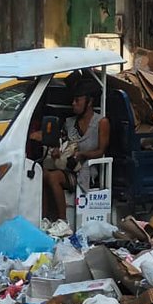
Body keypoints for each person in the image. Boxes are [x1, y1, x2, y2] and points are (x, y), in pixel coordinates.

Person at [38, 80, 110, 223]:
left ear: (89, 102)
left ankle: (63, 221)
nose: (73, 104)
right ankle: (45, 219)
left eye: (77, 101)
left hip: (85, 170)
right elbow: (61, 142)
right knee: (42, 174)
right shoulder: (69, 122)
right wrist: (57, 151)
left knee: (53, 177)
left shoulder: (101, 122)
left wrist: (82, 155)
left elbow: (101, 151)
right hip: (67, 167)